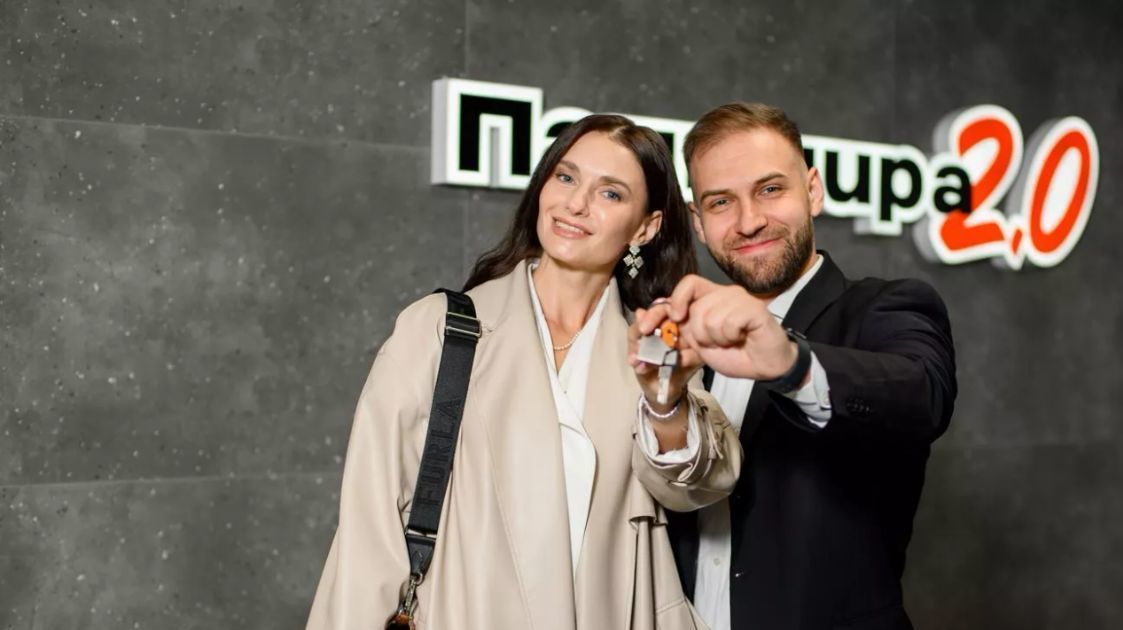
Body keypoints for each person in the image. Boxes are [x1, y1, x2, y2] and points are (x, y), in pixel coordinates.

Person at [306, 114, 742, 630]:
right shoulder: (441, 329)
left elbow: (699, 486)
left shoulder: (653, 348)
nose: (576, 204)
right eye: (566, 177)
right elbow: (368, 526)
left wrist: (665, 403)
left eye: (610, 193)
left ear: (645, 227)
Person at [636, 103, 957, 630]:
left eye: (770, 189)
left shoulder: (887, 307)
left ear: (813, 190)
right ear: (698, 223)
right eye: (721, 202)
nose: (749, 221)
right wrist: (665, 401)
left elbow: (922, 395)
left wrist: (790, 362)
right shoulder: (686, 338)